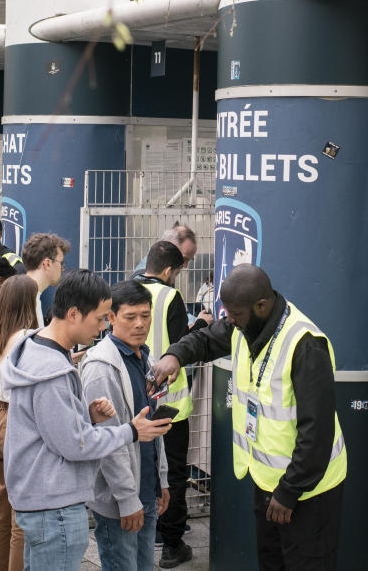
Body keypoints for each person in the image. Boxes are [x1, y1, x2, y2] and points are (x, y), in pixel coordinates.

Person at [151, 264, 347, 571]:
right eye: (226, 312)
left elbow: (317, 432)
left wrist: (289, 491)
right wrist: (175, 354)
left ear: (261, 306)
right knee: (272, 563)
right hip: (268, 482)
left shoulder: (305, 345)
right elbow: (205, 340)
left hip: (307, 491)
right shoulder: (244, 325)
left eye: (234, 313)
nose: (228, 319)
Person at [2, 269, 173, 570]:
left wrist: (86, 415)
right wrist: (131, 432)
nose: (103, 326)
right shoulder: (52, 369)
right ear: (73, 314)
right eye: (100, 318)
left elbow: (55, 428)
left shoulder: (43, 353)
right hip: (54, 506)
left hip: (47, 500)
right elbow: (76, 444)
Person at [83, 280, 170, 571]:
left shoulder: (145, 358)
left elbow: (154, 426)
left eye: (145, 316)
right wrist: (126, 498)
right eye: (130, 317)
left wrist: (163, 481)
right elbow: (106, 440)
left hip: (146, 489)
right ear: (110, 318)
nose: (140, 324)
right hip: (120, 499)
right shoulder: (101, 366)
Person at [134, 240, 210, 568]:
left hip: (136, 399)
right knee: (173, 473)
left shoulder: (127, 289)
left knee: (141, 468)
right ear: (168, 270)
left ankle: (143, 532)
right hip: (170, 403)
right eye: (178, 271)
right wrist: (204, 325)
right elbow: (182, 343)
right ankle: (172, 544)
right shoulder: (170, 296)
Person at [0, 276, 41, 571]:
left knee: (2, 503)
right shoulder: (30, 338)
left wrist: (2, 391)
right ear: (29, 302)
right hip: (23, 419)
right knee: (22, 511)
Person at [19, 232, 69, 322]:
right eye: (61, 263)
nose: (62, 269)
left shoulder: (21, 295)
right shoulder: (29, 301)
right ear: (47, 264)